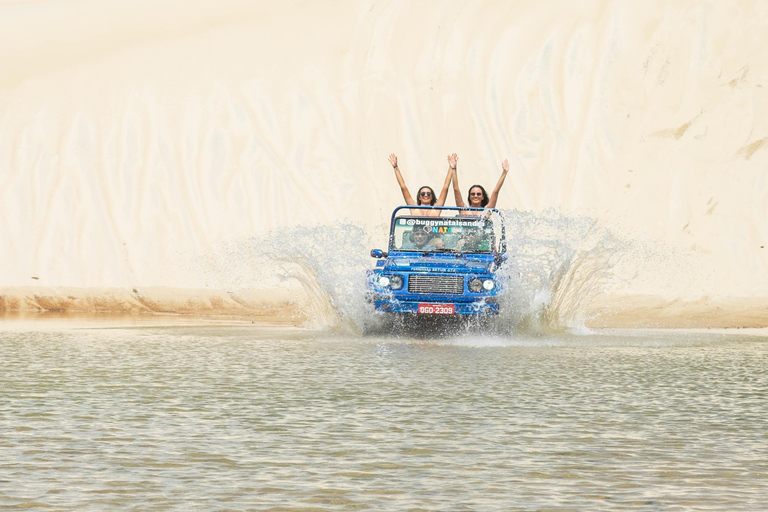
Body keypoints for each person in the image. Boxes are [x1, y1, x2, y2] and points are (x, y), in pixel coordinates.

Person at [389, 153, 453, 217]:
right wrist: (395, 167)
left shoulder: (436, 208)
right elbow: (403, 187)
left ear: (432, 197)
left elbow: (445, 187)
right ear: (419, 197)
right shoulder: (413, 207)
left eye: (428, 194)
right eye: (423, 194)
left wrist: (451, 167)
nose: (425, 195)